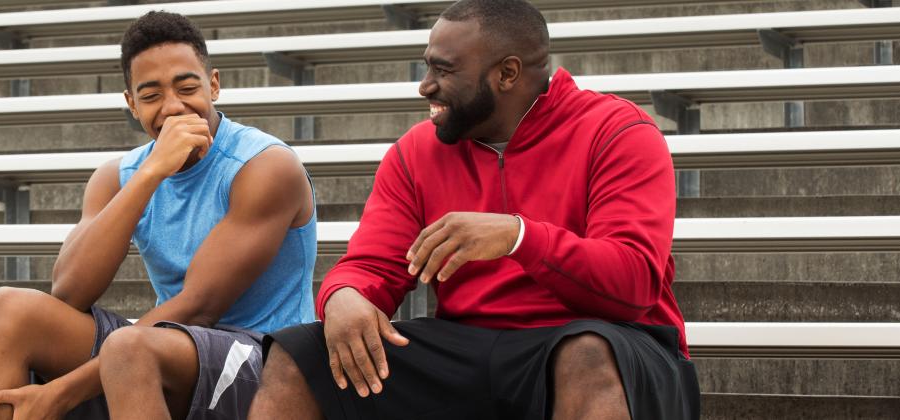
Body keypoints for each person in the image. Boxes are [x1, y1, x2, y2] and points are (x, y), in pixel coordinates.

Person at [248, 1, 700, 419]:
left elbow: (634, 283)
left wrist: (519, 237)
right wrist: (344, 295)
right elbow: (370, 265)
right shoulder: (416, 152)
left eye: (443, 70)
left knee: (584, 352)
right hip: (472, 346)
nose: (426, 85)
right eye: (428, 66)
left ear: (507, 74)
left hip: (617, 343)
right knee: (297, 356)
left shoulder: (618, 132)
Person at [0, 10, 317, 420]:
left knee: (129, 347)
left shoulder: (264, 166)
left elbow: (199, 307)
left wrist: (60, 392)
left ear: (214, 85)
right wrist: (149, 175)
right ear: (131, 104)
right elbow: (71, 293)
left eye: (187, 87)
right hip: (172, 350)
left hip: (268, 362)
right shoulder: (120, 176)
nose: (173, 107)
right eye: (151, 96)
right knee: (8, 310)